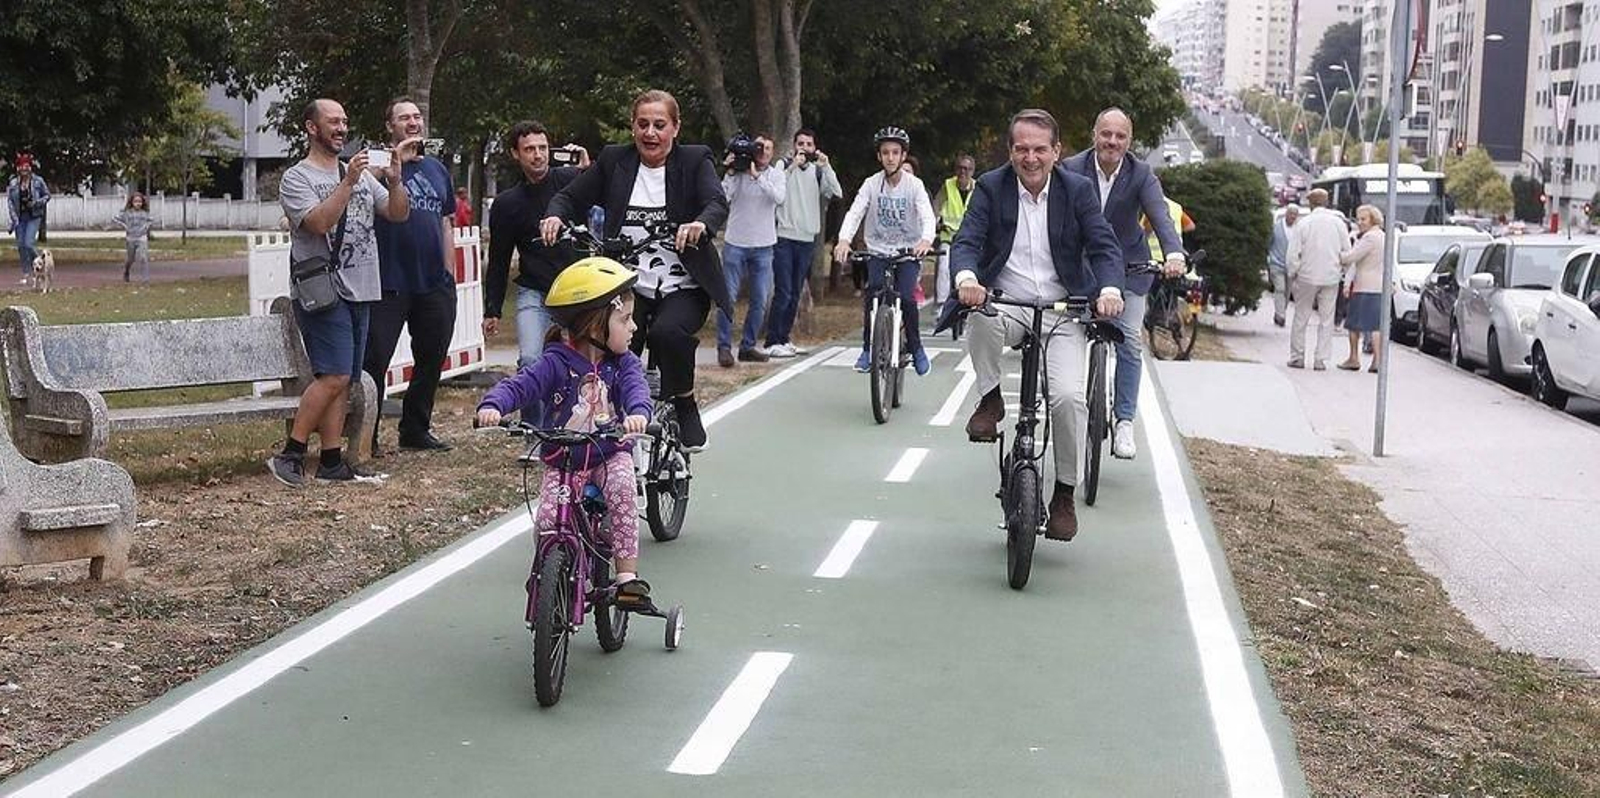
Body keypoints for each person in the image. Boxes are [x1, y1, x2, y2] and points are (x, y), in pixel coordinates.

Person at [939, 108, 1122, 541]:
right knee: (980, 318)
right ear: (1010, 151)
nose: (1030, 158)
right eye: (1021, 149)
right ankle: (990, 401)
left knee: (1068, 399)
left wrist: (1110, 289)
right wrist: (966, 280)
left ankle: (1064, 494)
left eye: (1040, 149)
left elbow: (1103, 246)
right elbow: (968, 240)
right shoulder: (991, 186)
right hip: (1008, 303)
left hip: (1063, 309)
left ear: (1057, 151)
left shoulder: (1077, 190)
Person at [539, 89, 728, 452]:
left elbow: (715, 202)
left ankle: (685, 403)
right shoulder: (615, 161)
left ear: (675, 128)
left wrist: (700, 224)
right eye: (643, 125)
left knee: (667, 334)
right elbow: (569, 197)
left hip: (682, 285)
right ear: (632, 127)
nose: (650, 133)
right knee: (609, 341)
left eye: (659, 125)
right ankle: (606, 418)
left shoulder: (694, 160)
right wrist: (554, 216)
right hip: (626, 285)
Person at [475, 258, 655, 606]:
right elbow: (521, 386)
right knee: (546, 521)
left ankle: (626, 577)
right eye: (625, 319)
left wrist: (637, 414)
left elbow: (637, 390)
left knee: (622, 490)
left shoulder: (624, 364)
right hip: (564, 460)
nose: (633, 327)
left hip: (609, 454)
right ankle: (547, 577)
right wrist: (494, 405)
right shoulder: (555, 362)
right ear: (594, 324)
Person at [268, 98, 417, 487]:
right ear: (311, 128)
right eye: (333, 122)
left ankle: (331, 461)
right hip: (324, 289)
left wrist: (395, 181)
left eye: (345, 121)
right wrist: (348, 182)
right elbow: (318, 223)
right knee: (332, 375)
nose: (341, 128)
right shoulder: (297, 178)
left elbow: (398, 213)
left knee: (345, 378)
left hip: (362, 288)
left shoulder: (362, 174)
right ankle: (291, 454)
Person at [1060, 108, 1184, 461]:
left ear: (1129, 141)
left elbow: (1160, 216)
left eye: (1120, 136)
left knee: (1129, 341)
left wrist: (1174, 254)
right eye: (1106, 134)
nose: (1112, 141)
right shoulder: (1070, 168)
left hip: (1130, 268)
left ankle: (1124, 419)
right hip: (1082, 269)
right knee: (1063, 338)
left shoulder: (1140, 173)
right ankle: (1066, 400)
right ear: (1094, 135)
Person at [362, 97, 459, 454]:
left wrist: (449, 273)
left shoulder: (437, 169)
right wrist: (395, 162)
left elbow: (445, 222)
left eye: (417, 117)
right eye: (404, 118)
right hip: (387, 280)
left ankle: (416, 429)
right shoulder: (376, 161)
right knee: (374, 361)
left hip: (432, 282)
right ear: (390, 126)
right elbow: (355, 187)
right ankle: (365, 434)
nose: (413, 122)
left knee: (432, 357)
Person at [483, 121, 590, 369]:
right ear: (515, 153)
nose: (538, 155)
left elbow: (605, 191)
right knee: (531, 361)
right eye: (529, 149)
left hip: (577, 289)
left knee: (578, 364)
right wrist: (492, 310)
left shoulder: (571, 179)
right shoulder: (507, 204)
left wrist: (588, 170)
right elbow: (499, 259)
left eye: (543, 148)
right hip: (534, 291)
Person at [831, 126, 936, 375]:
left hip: (907, 252)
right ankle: (867, 350)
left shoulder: (915, 185)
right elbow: (855, 212)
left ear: (903, 156)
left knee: (907, 297)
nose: (890, 157)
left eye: (895, 152)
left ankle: (917, 348)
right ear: (879, 156)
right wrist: (844, 240)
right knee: (873, 293)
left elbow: (927, 216)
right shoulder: (871, 184)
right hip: (878, 250)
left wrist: (925, 240)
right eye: (885, 152)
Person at [765, 128, 841, 358]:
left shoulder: (817, 171)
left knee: (795, 292)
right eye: (801, 143)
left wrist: (827, 167)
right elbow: (774, 188)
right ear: (794, 145)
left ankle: (784, 338)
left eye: (809, 144)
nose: (804, 148)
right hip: (784, 237)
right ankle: (772, 341)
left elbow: (836, 192)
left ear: (814, 147)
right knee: (784, 291)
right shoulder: (784, 165)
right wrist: (792, 167)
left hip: (807, 239)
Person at [715, 134, 786, 367]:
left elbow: (779, 198)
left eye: (768, 148)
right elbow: (723, 197)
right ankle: (724, 347)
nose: (763, 151)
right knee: (728, 297)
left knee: (760, 300)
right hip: (736, 242)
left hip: (764, 245)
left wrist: (758, 177)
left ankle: (747, 346)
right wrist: (731, 172)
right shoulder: (739, 172)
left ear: (773, 152)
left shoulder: (776, 174)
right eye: (759, 147)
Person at [1287, 188, 1350, 370]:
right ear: (1327, 202)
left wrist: (1293, 272)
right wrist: (1343, 271)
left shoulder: (1304, 223)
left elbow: (1293, 253)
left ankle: (1297, 356)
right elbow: (1346, 250)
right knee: (1326, 319)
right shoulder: (1338, 223)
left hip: (1307, 275)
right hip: (1331, 276)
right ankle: (1320, 359)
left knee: (1301, 317)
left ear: (1310, 203)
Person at [1337, 204, 1387, 372]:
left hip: (1364, 286)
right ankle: (1377, 360)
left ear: (1373, 219)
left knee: (1354, 324)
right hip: (1379, 286)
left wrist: (1338, 255)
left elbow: (1352, 257)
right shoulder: (1383, 236)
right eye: (1358, 219)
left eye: (1363, 219)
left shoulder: (1369, 238)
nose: (1359, 222)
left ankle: (1354, 358)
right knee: (1376, 325)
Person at [934, 155, 977, 306]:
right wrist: (935, 224)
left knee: (970, 271)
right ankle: (941, 305)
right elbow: (936, 209)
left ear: (973, 171)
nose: (963, 172)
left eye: (967, 169)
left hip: (969, 240)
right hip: (948, 238)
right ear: (955, 170)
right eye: (960, 168)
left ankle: (969, 303)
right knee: (943, 268)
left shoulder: (978, 188)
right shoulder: (947, 186)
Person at [6, 154, 49, 284]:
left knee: (28, 244)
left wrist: (37, 203)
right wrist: (13, 217)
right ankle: (26, 273)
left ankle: (41, 264)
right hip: (19, 218)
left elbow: (47, 196)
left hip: (34, 216)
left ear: (30, 167)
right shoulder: (13, 182)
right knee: (21, 246)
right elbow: (10, 201)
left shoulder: (38, 181)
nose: (24, 169)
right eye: (21, 166)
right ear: (18, 168)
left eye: (26, 166)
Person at [1267, 204, 1300, 327]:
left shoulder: (1298, 230)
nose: (1293, 216)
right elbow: (1269, 243)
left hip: (1291, 266)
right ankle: (1281, 315)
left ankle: (1280, 312)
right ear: (1286, 214)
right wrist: (1269, 257)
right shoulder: (1276, 228)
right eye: (1291, 213)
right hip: (1277, 264)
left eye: (1295, 214)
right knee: (1280, 288)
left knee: (1287, 292)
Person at [114, 192, 152, 285]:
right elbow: (115, 219)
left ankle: (145, 279)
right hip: (130, 238)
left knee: (143, 257)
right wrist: (124, 226)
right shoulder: (127, 213)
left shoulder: (145, 213)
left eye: (140, 202)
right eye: (135, 201)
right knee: (130, 259)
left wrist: (146, 227)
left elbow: (151, 220)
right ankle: (126, 271)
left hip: (142, 237)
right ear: (131, 202)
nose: (138, 204)